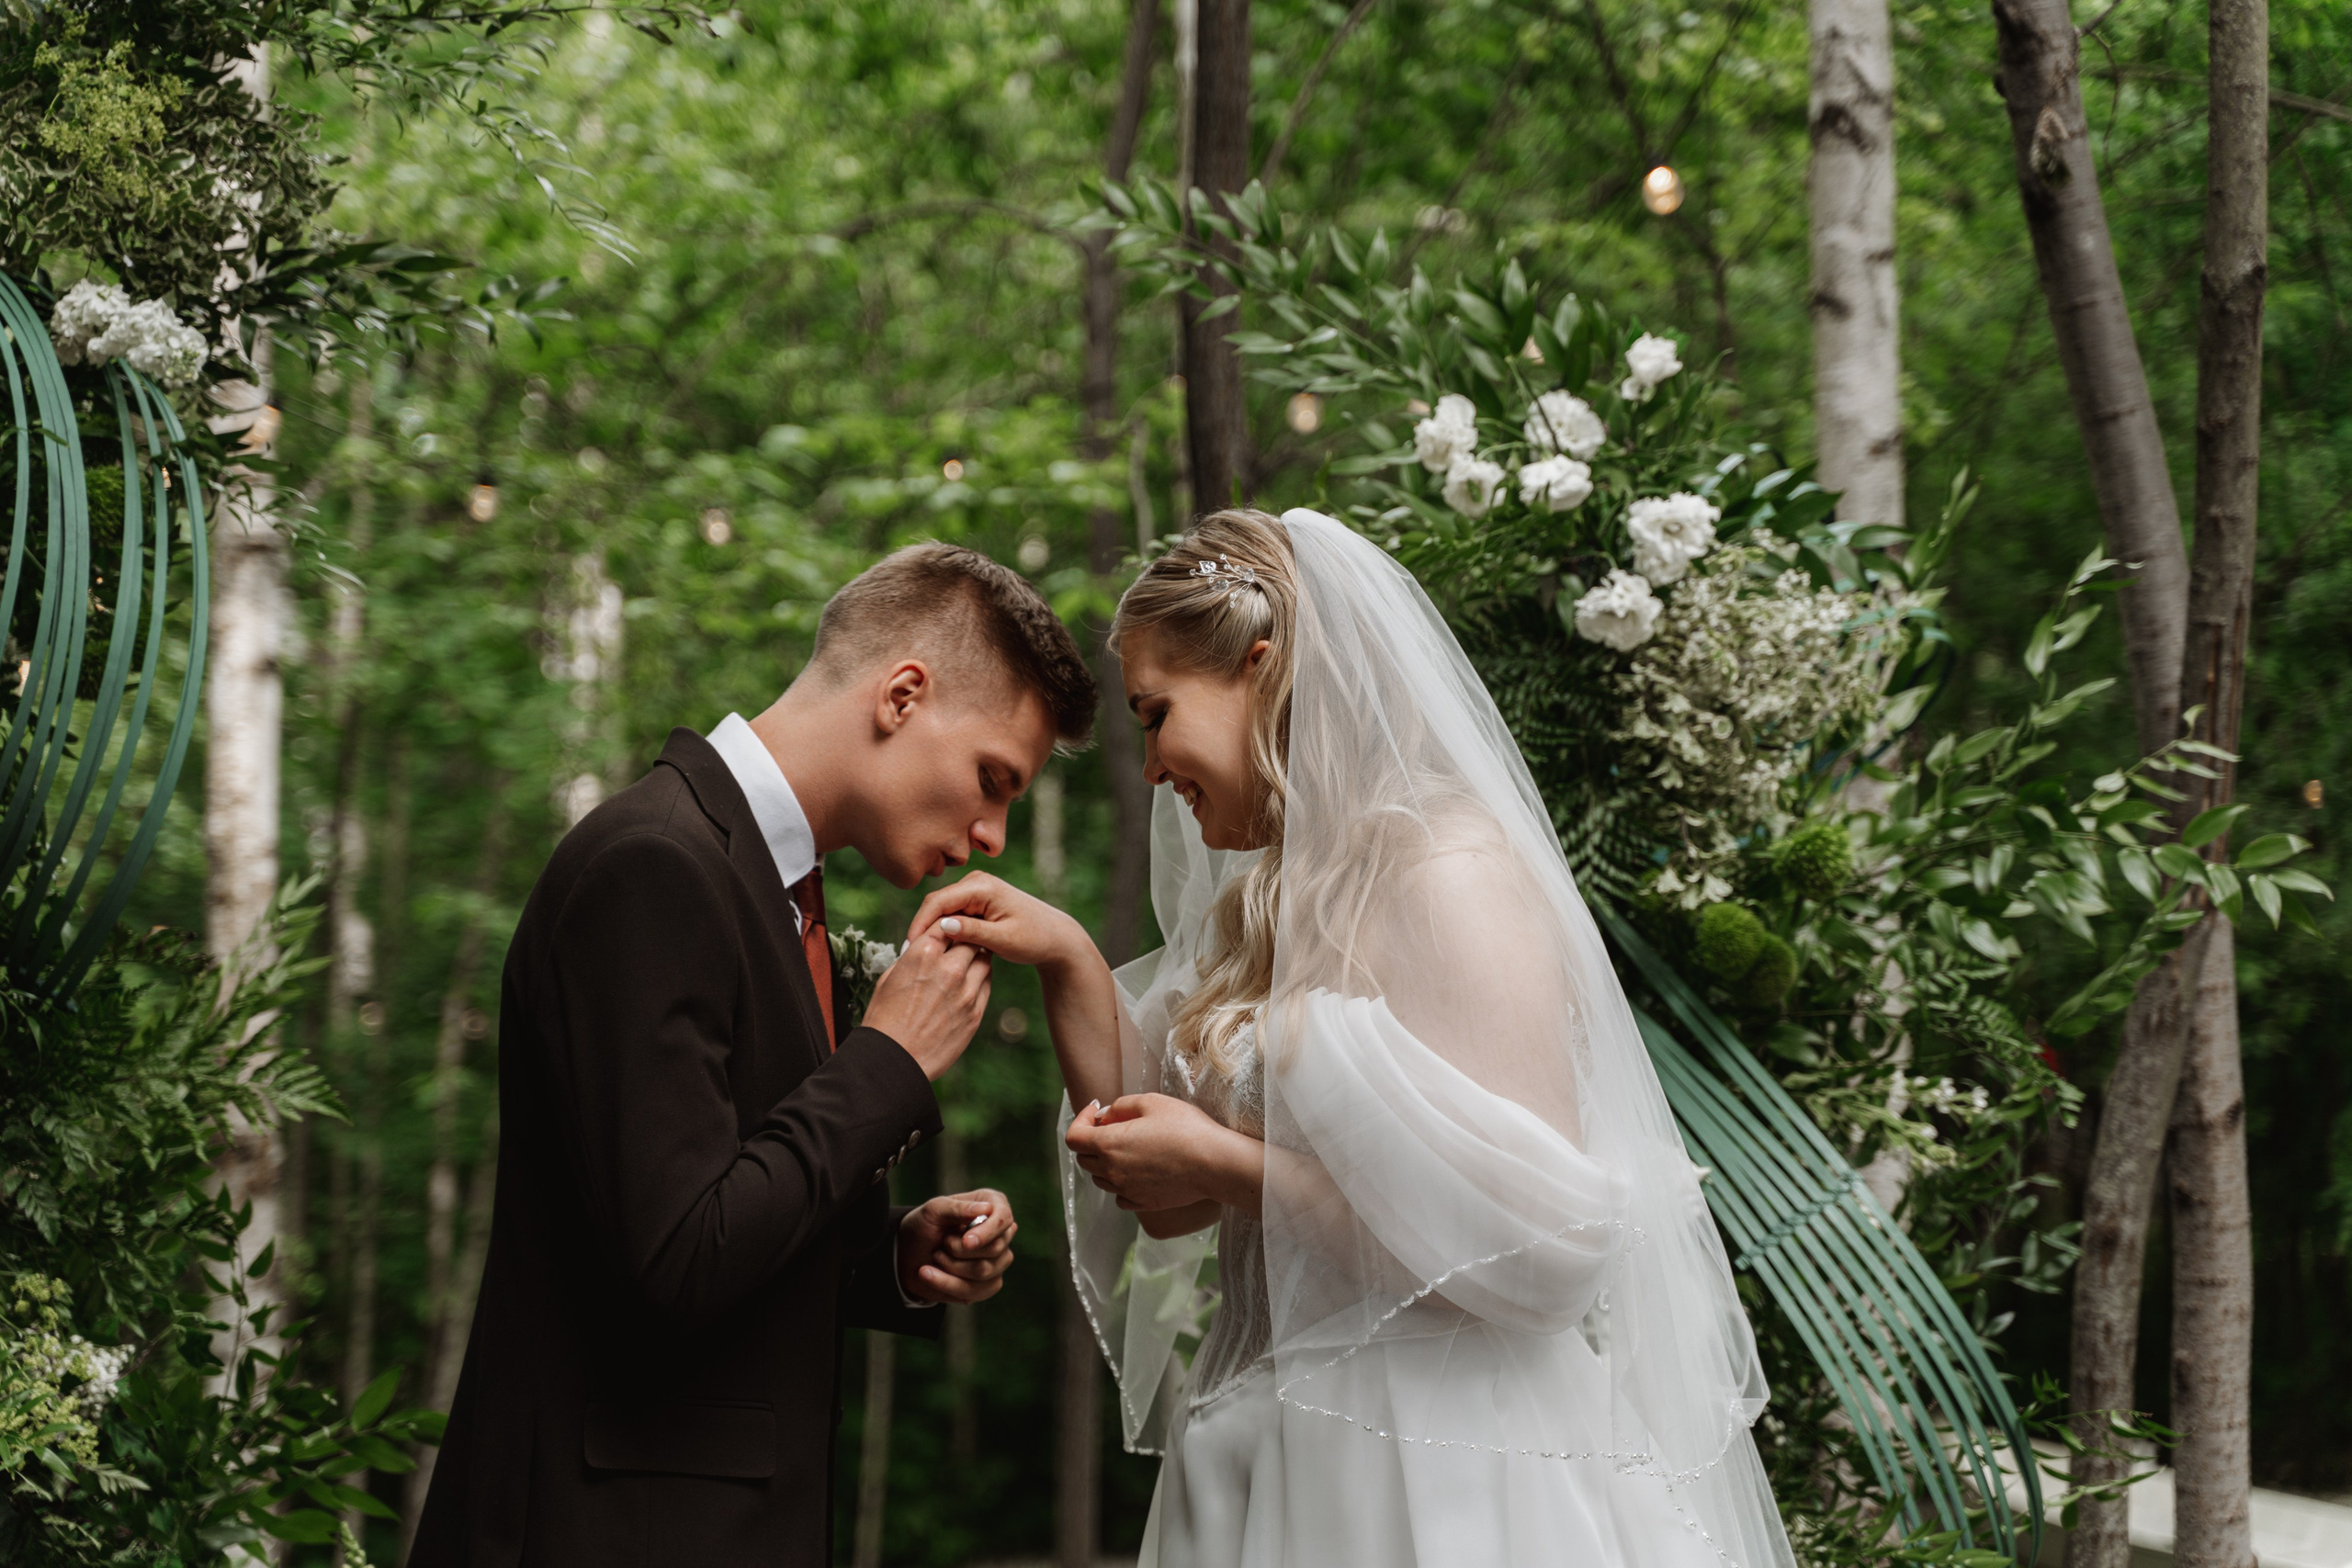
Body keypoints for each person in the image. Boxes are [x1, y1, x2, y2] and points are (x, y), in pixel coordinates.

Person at [915, 509, 1799, 1568]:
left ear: (1260, 669)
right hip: (1267, 1447)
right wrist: (1063, 957)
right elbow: (1156, 1167)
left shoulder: (1450, 877)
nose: (1150, 767)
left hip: (1436, 1464)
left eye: (1157, 714)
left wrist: (1231, 1168)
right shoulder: (1278, 900)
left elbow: (1544, 1251)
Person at [410, 543, 1097, 1568]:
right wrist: (887, 1064)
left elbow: (707, 1211)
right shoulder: (653, 865)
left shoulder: (779, 893)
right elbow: (674, 1262)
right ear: (902, 695)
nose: (993, 833)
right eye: (993, 779)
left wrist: (890, 1259)